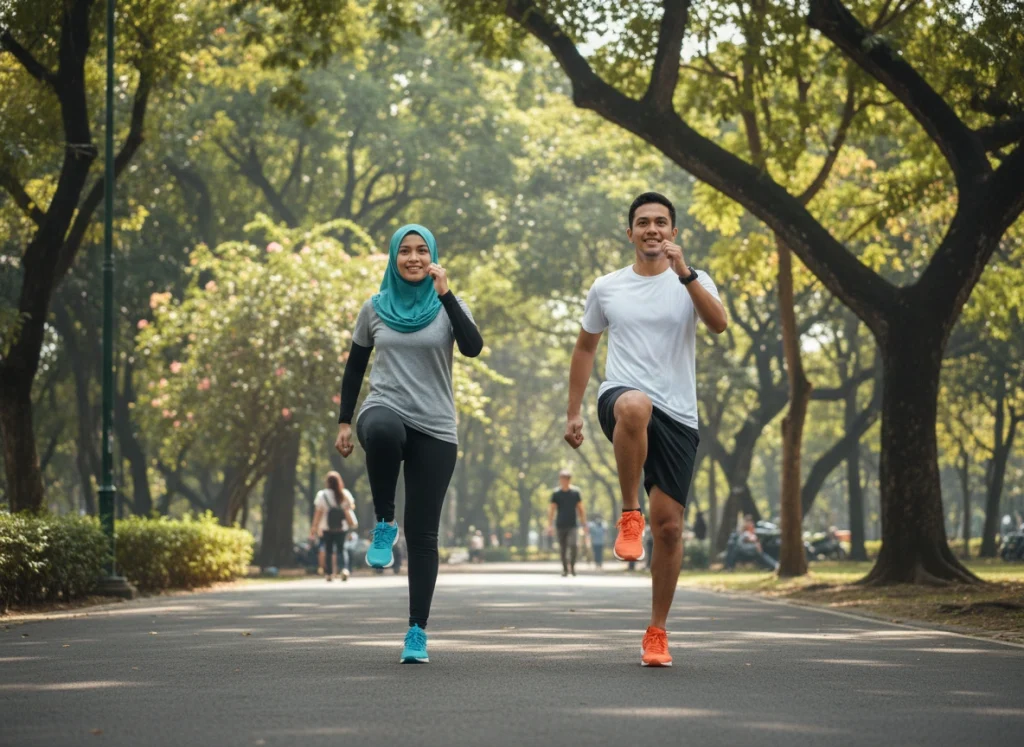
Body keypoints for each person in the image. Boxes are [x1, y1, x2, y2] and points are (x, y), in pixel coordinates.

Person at [563, 192, 727, 667]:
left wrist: (688, 275)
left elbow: (718, 325)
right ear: (629, 232)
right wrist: (574, 411)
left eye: (661, 223)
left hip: (679, 414)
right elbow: (585, 349)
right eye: (643, 223)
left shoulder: (693, 281)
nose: (652, 229)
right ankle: (629, 512)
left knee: (671, 529)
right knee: (634, 404)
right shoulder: (608, 287)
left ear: (673, 233)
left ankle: (657, 632)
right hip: (623, 398)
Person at [335, 223, 482, 664]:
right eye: (405, 251)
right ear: (393, 257)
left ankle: (417, 632)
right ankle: (383, 520)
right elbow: (355, 368)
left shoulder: (447, 305)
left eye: (422, 251)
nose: (414, 258)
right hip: (385, 406)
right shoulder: (374, 308)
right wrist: (344, 422)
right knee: (380, 430)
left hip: (436, 428)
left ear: (433, 256)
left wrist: (447, 295)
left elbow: (473, 348)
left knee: (423, 536)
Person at [309, 472, 357, 582]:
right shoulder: (345, 493)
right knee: (342, 549)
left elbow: (318, 513)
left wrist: (314, 527)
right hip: (342, 527)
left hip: (326, 527)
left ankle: (329, 573)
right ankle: (344, 569)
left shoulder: (322, 495)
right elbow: (351, 507)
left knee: (328, 550)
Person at [548, 469, 588, 576]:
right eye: (562, 479)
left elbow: (581, 509)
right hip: (560, 524)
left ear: (569, 480)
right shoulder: (556, 493)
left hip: (572, 524)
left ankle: (573, 566)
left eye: (566, 479)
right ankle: (565, 569)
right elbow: (552, 510)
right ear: (560, 479)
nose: (564, 481)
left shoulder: (575, 493)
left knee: (574, 545)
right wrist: (550, 525)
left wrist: (584, 524)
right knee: (563, 548)